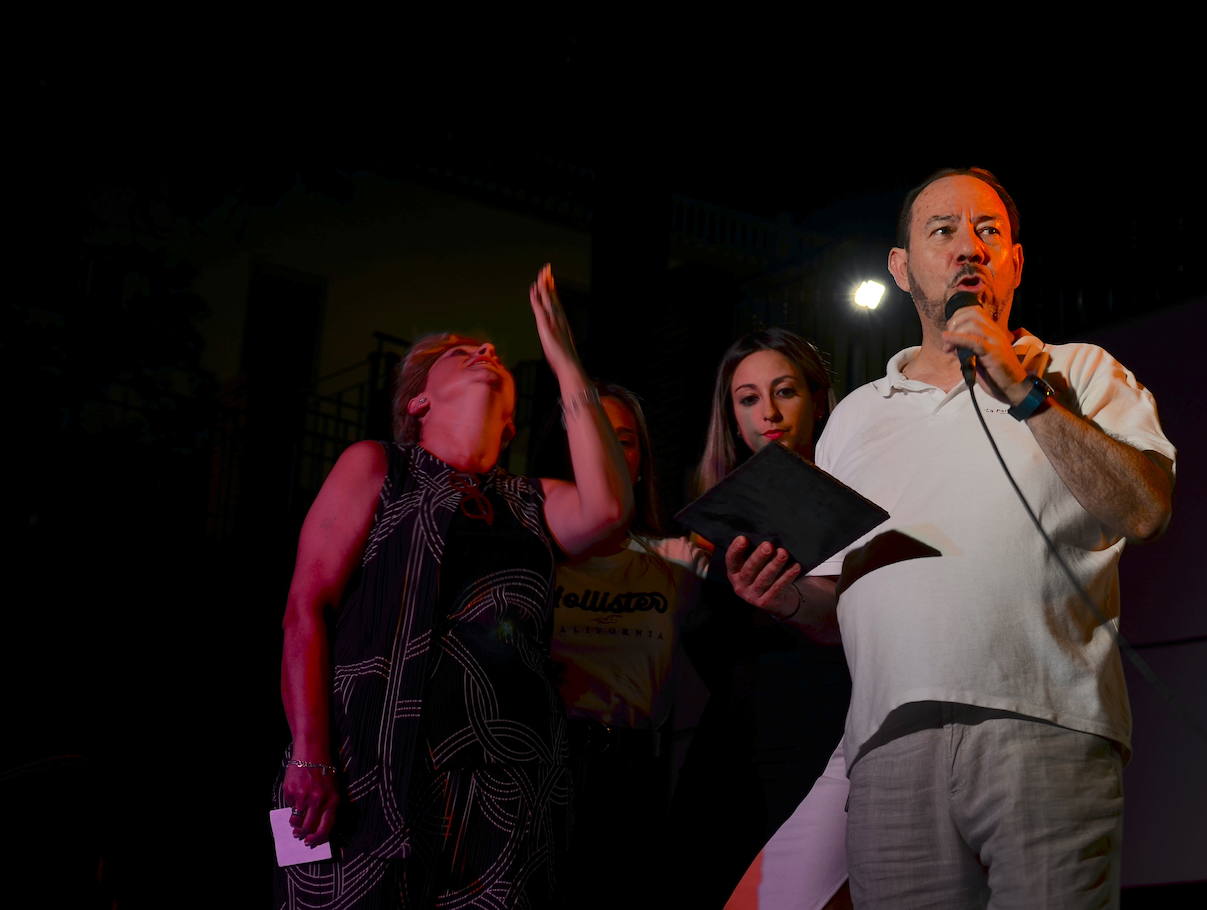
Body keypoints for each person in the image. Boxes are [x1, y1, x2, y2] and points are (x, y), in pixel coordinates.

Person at [724, 169, 1175, 908]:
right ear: (901, 268)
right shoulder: (856, 418)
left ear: (1016, 263)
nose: (969, 247)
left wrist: (1025, 391)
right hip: (889, 747)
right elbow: (837, 606)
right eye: (943, 231)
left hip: (1048, 728)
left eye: (988, 231)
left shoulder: (1080, 370)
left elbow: (1146, 510)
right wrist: (785, 598)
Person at [275, 265, 632, 908]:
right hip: (363, 771)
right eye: (462, 354)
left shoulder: (532, 501)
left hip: (506, 792)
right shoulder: (376, 465)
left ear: (512, 424)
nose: (487, 352)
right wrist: (310, 756)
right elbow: (308, 608)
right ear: (418, 401)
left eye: (492, 353)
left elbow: (609, 510)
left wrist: (564, 361)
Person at [668, 328, 852, 910]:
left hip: (826, 742)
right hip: (732, 760)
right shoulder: (707, 524)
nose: (767, 413)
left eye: (784, 392)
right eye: (748, 399)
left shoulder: (855, 496)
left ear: (817, 400)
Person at [544, 382, 708, 908]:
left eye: (626, 441)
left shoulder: (674, 556)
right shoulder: (537, 555)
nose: (615, 454)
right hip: (544, 763)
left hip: (633, 775)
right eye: (599, 439)